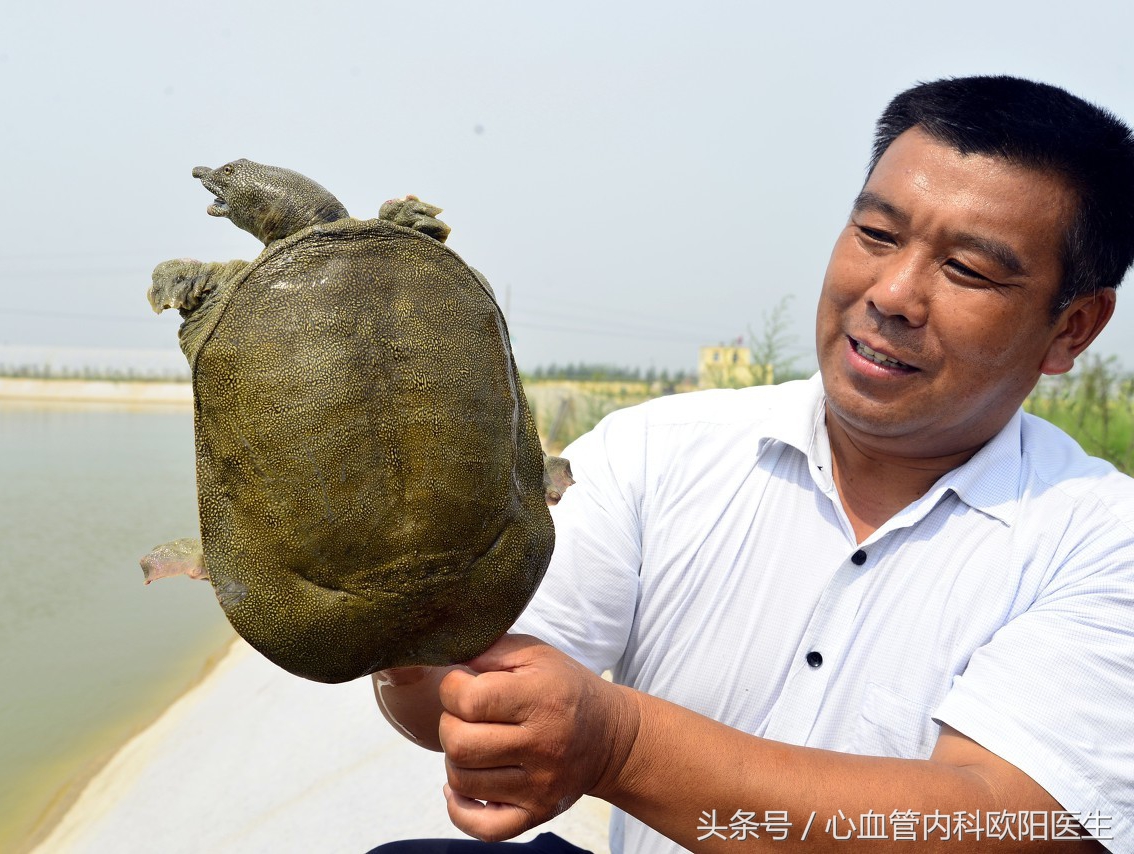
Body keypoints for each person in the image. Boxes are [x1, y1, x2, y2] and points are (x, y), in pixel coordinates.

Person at [369, 76, 1134, 853]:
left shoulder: (1103, 544)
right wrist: (397, 624)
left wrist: (621, 745)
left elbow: (997, 823)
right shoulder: (657, 452)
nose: (893, 293)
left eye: (967, 269)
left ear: (1073, 327)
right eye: (876, 233)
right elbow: (462, 698)